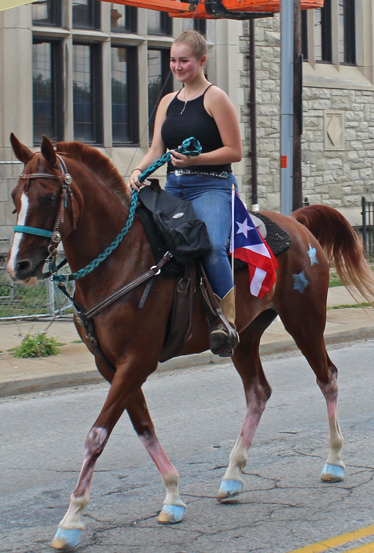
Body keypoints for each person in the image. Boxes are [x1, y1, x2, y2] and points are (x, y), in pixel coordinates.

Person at [129, 30, 243, 356]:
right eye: (173, 60)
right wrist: (139, 171)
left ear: (201, 61)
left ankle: (226, 321)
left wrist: (197, 159)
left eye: (184, 61)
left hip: (211, 186)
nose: (177, 67)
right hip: (174, 186)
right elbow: (155, 149)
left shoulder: (215, 98)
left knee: (212, 248)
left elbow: (235, 151)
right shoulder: (167, 101)